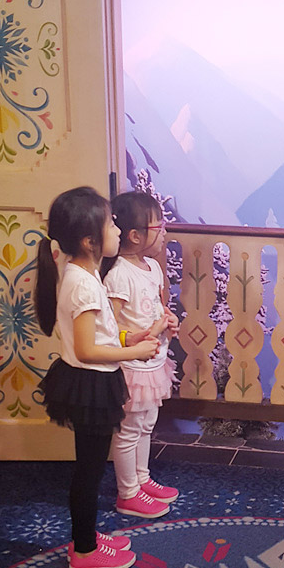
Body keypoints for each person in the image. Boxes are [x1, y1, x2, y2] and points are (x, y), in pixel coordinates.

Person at [34, 186, 159, 568]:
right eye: (111, 225)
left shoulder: (84, 274)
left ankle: (86, 537)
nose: (118, 231)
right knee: (88, 473)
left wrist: (128, 338)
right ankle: (85, 552)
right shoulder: (84, 283)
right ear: (90, 241)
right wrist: (134, 353)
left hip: (91, 382)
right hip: (90, 383)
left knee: (91, 468)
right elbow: (88, 350)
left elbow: (99, 332)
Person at [103, 191, 179, 517]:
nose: (164, 232)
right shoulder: (119, 273)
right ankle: (128, 492)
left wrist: (168, 320)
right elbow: (110, 323)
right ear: (135, 236)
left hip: (154, 362)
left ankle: (142, 479)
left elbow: (158, 307)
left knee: (146, 425)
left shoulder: (153, 268)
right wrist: (141, 335)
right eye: (159, 227)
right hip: (132, 366)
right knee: (128, 431)